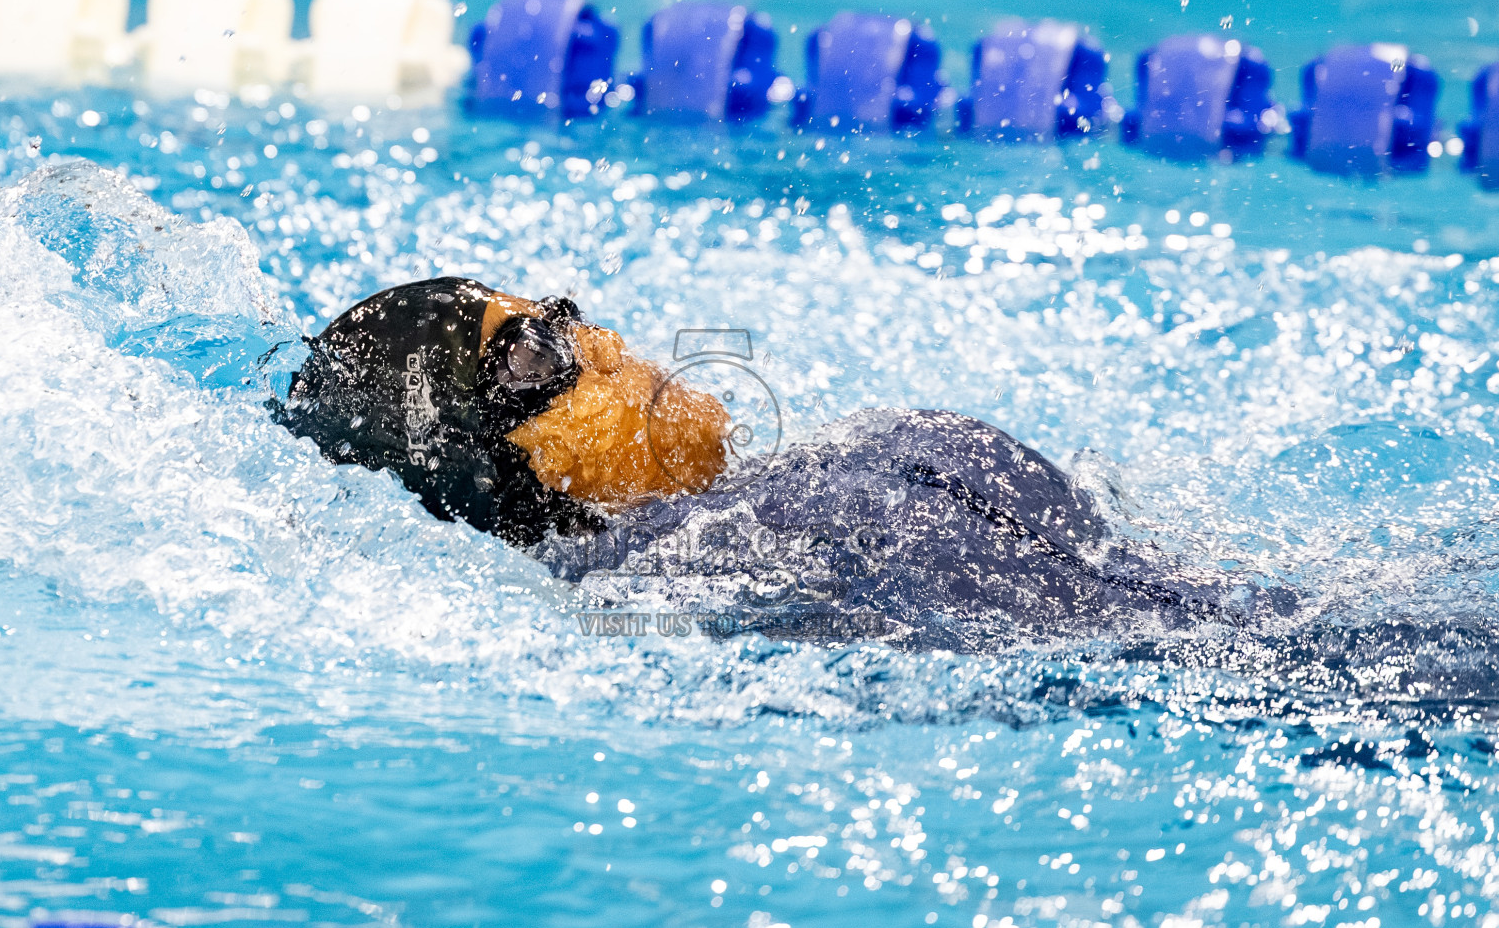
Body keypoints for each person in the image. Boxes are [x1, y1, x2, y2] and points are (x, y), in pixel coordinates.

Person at [275, 277, 1262, 647]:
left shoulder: (847, 453)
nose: (604, 341)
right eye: (535, 354)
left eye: (560, 316)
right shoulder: (666, 578)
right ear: (495, 473)